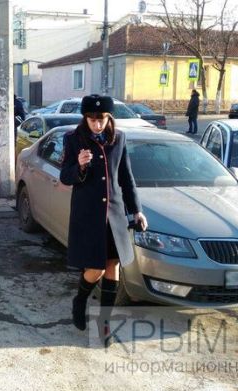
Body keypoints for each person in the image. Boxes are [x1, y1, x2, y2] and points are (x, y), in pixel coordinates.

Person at [59, 94, 147, 346]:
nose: (96, 124)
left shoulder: (118, 139)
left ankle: (104, 324)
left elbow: (126, 177)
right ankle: (80, 300)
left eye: (101, 119)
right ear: (85, 118)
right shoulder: (73, 139)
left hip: (115, 214)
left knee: (113, 267)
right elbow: (66, 177)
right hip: (88, 215)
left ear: (109, 118)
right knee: (94, 269)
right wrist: (79, 166)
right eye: (92, 119)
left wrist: (136, 210)